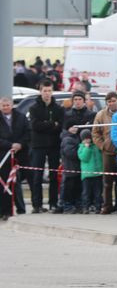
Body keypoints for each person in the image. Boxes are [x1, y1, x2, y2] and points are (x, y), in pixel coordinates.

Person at [28, 80, 65, 213]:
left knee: (54, 175)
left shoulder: (58, 108)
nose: (47, 93)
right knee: (37, 176)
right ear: (40, 91)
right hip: (38, 145)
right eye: (45, 91)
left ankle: (53, 203)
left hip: (54, 145)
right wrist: (51, 124)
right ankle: (37, 205)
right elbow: (35, 126)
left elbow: (60, 125)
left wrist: (48, 125)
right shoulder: (34, 108)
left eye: (49, 91)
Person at [0, 96, 30, 218]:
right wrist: (10, 145)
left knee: (16, 183)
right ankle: (4, 211)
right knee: (4, 184)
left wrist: (20, 145)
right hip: (3, 156)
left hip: (19, 156)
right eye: (3, 105)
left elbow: (27, 133)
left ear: (12, 105)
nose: (6, 107)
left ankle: (20, 209)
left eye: (7, 105)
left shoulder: (21, 117)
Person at [92, 92, 117, 214]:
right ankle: (107, 205)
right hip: (107, 152)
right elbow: (95, 133)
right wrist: (102, 146)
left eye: (113, 101)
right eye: (109, 101)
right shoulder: (101, 115)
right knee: (107, 182)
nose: (111, 103)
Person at [77, 129, 103, 214]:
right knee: (86, 192)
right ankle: (86, 207)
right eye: (85, 139)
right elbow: (84, 158)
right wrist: (86, 148)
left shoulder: (96, 146)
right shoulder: (81, 147)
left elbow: (100, 157)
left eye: (88, 138)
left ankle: (98, 207)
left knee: (98, 192)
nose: (87, 140)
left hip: (97, 173)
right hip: (87, 174)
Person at [60, 117, 82, 214]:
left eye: (76, 127)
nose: (74, 129)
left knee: (76, 187)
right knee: (69, 187)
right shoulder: (67, 139)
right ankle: (67, 205)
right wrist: (81, 151)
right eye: (72, 127)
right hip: (70, 168)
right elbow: (70, 153)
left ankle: (75, 204)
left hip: (76, 168)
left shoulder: (76, 137)